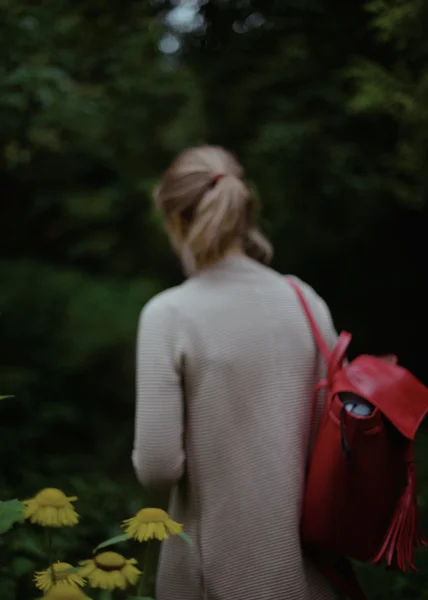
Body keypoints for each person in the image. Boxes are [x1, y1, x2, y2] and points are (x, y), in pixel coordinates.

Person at [132, 145, 339, 600]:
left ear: (175, 219)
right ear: (245, 211)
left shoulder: (170, 314)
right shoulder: (305, 300)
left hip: (219, 573)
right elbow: (327, 434)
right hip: (311, 574)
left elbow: (157, 467)